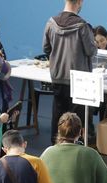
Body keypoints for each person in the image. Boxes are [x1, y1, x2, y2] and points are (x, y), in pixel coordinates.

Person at [43, 0, 98, 144]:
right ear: (79, 2)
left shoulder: (51, 23)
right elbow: (91, 51)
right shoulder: (83, 26)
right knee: (77, 119)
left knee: (58, 116)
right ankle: (76, 150)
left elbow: (46, 49)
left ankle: (55, 148)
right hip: (79, 80)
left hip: (58, 77)